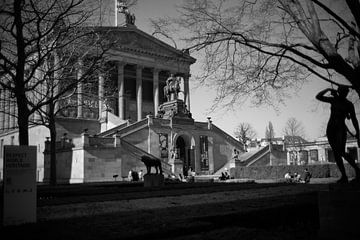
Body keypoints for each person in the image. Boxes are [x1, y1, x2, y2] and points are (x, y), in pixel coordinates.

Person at [316, 86, 360, 183]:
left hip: (340, 129)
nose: (343, 94)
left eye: (345, 92)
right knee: (336, 153)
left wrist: (358, 132)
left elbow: (354, 119)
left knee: (341, 152)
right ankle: (344, 176)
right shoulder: (334, 100)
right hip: (331, 129)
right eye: (341, 92)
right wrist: (327, 89)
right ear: (339, 92)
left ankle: (357, 170)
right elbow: (318, 96)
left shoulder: (348, 104)